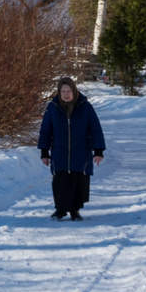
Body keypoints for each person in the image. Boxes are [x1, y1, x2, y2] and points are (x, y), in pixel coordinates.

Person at [38, 76, 106, 221]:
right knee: (60, 182)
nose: (66, 94)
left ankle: (75, 210)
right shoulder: (53, 107)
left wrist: (98, 150)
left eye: (68, 91)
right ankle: (60, 210)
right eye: (63, 91)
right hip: (59, 152)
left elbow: (95, 129)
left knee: (78, 181)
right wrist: (44, 151)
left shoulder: (85, 106)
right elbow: (45, 131)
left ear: (74, 91)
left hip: (81, 152)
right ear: (59, 92)